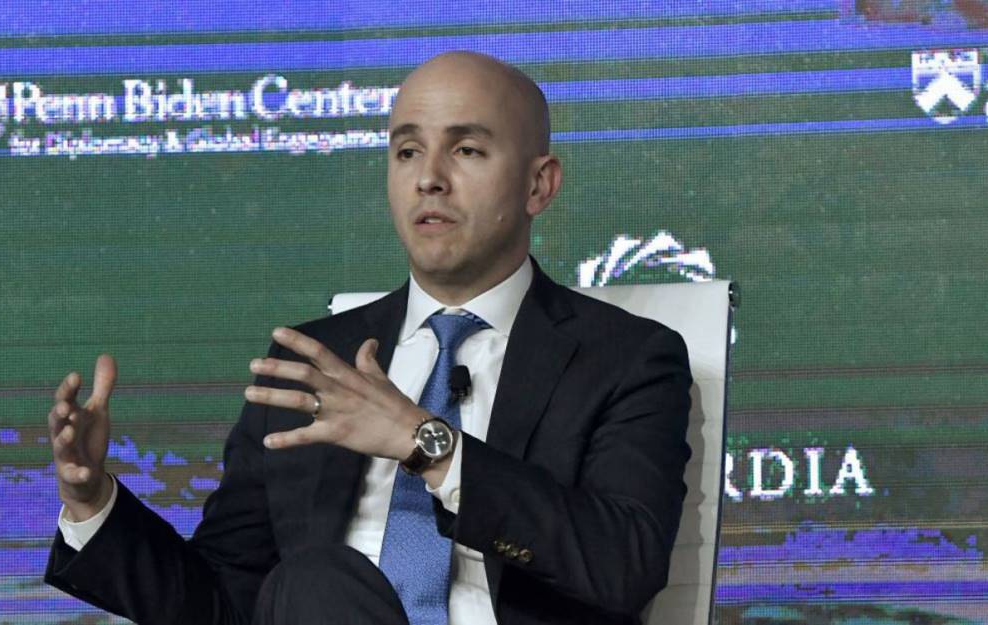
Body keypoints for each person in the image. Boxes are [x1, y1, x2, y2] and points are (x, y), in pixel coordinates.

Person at [44, 51, 692, 625]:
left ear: (538, 184)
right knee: (311, 585)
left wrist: (426, 443)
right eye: (407, 150)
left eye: (466, 150)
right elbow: (225, 602)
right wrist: (94, 500)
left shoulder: (626, 357)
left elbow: (624, 565)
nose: (428, 177)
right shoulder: (308, 364)